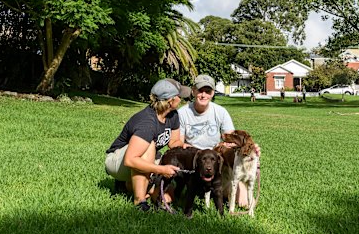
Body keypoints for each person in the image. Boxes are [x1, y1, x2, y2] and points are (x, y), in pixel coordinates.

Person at [105, 78, 191, 211]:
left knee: (167, 197)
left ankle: (127, 185)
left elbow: (173, 142)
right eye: (179, 96)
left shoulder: (172, 115)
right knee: (149, 146)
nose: (182, 99)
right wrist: (161, 170)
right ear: (171, 101)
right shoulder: (147, 123)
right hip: (119, 160)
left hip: (144, 157)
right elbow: (130, 160)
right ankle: (140, 202)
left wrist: (183, 146)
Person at [178, 74, 260, 207]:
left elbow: (231, 139)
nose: (203, 95)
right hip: (195, 161)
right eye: (200, 90)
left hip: (216, 162)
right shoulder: (182, 112)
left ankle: (218, 187)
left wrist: (251, 150)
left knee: (243, 202)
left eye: (208, 91)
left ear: (212, 93)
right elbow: (176, 142)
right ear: (193, 91)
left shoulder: (220, 112)